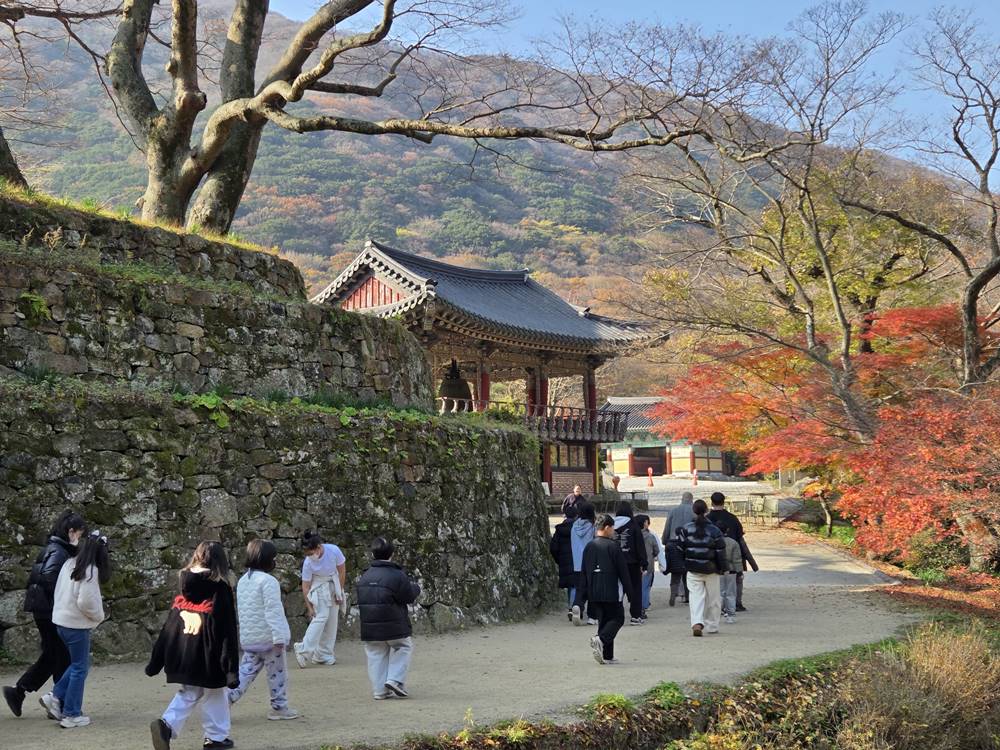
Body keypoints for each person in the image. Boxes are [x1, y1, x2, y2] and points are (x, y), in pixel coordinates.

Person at [146, 541, 240, 750]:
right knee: (216, 693)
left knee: (189, 692)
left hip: (184, 652)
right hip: (209, 654)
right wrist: (231, 669)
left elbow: (170, 625)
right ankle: (216, 737)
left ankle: (166, 725)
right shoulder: (219, 587)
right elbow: (226, 630)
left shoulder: (184, 586)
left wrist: (156, 661)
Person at [4, 510, 86, 719]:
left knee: (54, 655)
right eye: (79, 532)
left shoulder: (54, 548)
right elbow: (49, 578)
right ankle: (57, 702)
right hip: (49, 611)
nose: (81, 537)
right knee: (62, 656)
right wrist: (65, 599)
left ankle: (21, 692)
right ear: (71, 531)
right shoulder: (59, 551)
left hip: (44, 609)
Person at [228, 539, 299, 720]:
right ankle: (279, 707)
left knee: (245, 673)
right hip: (270, 638)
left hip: (250, 638)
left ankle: (225, 700)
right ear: (267, 559)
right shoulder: (269, 581)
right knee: (277, 674)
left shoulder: (243, 581)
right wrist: (279, 637)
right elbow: (273, 611)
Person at [44, 530, 108, 729]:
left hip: (61, 622)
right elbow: (87, 601)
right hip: (76, 626)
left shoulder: (70, 563)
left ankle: (55, 696)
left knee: (78, 664)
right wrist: (99, 616)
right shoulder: (89, 570)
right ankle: (71, 713)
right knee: (80, 668)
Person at [356, 537, 421, 700]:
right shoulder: (397, 575)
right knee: (403, 646)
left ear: (373, 554)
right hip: (394, 624)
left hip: (370, 625)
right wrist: (416, 588)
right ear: (392, 554)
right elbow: (408, 596)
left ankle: (380, 690)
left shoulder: (365, 576)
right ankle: (395, 680)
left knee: (375, 653)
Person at [578, 514, 634, 664]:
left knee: (604, 621)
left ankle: (607, 655)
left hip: (594, 590)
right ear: (607, 527)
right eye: (613, 528)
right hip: (611, 589)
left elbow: (584, 571)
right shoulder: (613, 547)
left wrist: (581, 596)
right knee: (617, 618)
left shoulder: (589, 546)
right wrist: (631, 593)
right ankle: (601, 640)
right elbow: (623, 572)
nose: (614, 531)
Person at [294, 530, 347, 668]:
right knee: (321, 616)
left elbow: (342, 571)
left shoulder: (334, 550)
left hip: (333, 583)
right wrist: (310, 607)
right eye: (307, 554)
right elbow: (306, 586)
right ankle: (303, 649)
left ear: (318, 547)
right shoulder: (308, 563)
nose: (310, 556)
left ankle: (323, 654)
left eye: (311, 553)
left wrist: (339, 592)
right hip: (318, 586)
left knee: (332, 620)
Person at [678, 499, 726, 637]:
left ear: (694, 511)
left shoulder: (686, 528)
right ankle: (712, 625)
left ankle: (697, 622)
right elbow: (720, 551)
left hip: (692, 568)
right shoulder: (715, 530)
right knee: (714, 599)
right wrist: (722, 567)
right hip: (712, 569)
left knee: (695, 597)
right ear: (706, 510)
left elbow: (680, 548)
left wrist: (684, 563)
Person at [708, 492, 758, 612]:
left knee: (714, 582)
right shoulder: (732, 518)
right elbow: (740, 537)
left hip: (713, 556)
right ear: (723, 502)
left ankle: (716, 604)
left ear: (711, 502)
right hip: (733, 552)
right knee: (737, 581)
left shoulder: (707, 519)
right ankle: (737, 603)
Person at [612, 501, 648, 625]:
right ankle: (635, 616)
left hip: (614, 563)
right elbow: (640, 546)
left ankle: (615, 615)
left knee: (617, 589)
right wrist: (644, 563)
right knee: (635, 589)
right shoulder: (633, 526)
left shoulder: (611, 525)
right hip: (632, 563)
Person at [570, 501, 597, 626]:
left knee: (579, 588)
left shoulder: (574, 526)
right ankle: (592, 616)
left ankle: (577, 606)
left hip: (576, 562)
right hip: (590, 562)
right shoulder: (592, 527)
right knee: (592, 589)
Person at [549, 504, 578, 617]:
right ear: (576, 516)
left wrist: (559, 559)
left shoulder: (559, 530)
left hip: (564, 560)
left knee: (570, 585)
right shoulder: (577, 529)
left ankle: (571, 607)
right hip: (576, 559)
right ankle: (574, 607)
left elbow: (553, 548)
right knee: (575, 584)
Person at [636, 514, 665, 615]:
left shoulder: (633, 535)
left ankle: (637, 604)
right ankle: (645, 605)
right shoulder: (650, 536)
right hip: (648, 565)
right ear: (645, 523)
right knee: (645, 586)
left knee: (637, 586)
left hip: (635, 564)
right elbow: (657, 550)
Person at [720, 535, 743, 624]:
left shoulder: (715, 541)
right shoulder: (733, 542)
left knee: (719, 593)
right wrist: (739, 571)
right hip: (731, 570)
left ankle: (718, 611)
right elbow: (737, 559)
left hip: (719, 571)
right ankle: (730, 614)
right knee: (731, 593)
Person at [663, 531, 689, 606]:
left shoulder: (669, 545)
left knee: (674, 583)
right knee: (686, 582)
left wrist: (667, 569)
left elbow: (667, 558)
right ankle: (687, 598)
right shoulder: (685, 544)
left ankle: (672, 598)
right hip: (685, 566)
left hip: (675, 567)